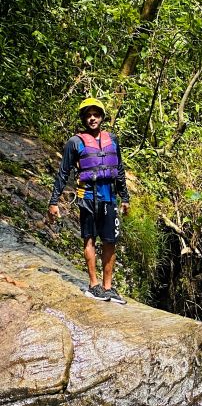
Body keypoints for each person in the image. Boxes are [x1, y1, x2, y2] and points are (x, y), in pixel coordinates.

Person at [47, 98, 130, 303]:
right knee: (89, 238)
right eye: (88, 115)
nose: (92, 118)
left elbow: (119, 170)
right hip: (88, 197)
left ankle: (108, 287)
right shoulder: (75, 142)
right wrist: (53, 201)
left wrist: (125, 197)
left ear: (102, 117)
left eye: (96, 114)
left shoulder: (113, 139)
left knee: (110, 241)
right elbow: (63, 172)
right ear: (84, 118)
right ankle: (94, 285)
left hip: (109, 197)